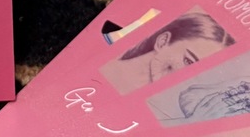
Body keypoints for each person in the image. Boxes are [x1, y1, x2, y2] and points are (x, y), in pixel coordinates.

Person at [100, 9, 234, 95]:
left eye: (200, 74)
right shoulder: (103, 68)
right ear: (163, 41)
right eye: (188, 61)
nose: (189, 78)